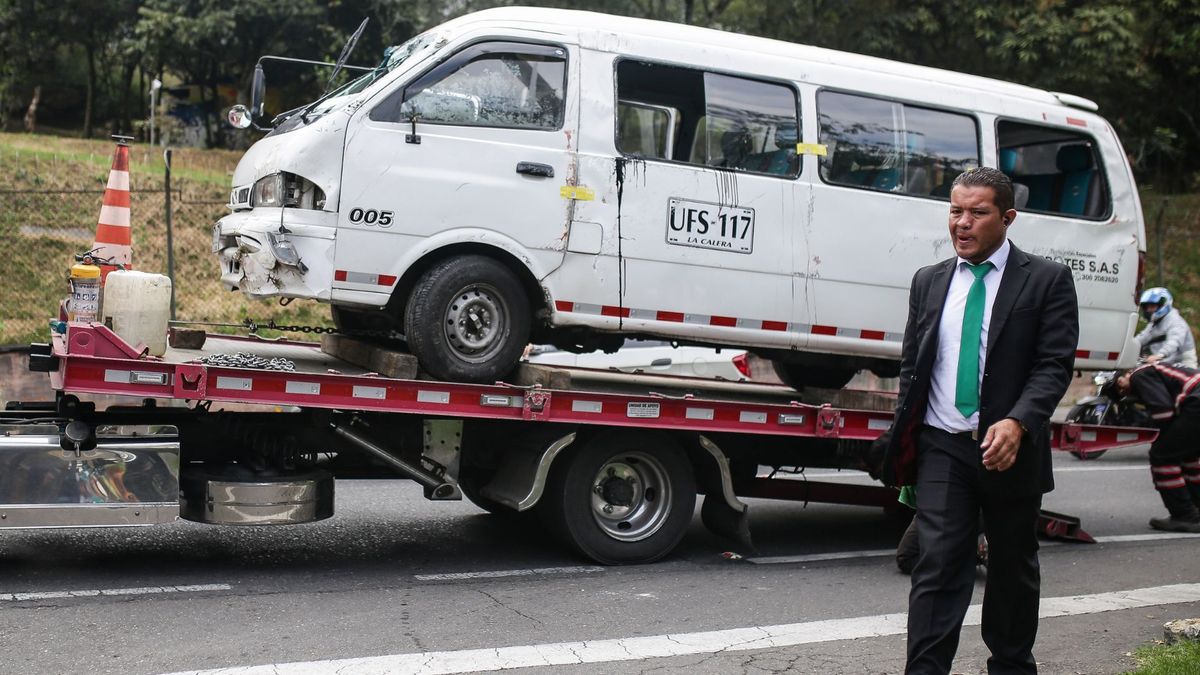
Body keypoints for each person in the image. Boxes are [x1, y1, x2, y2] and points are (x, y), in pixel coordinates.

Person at [881, 166, 1079, 675]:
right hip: (943, 445)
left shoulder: (1046, 279)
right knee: (937, 567)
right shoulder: (929, 282)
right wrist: (911, 435)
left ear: (1008, 217)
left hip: (1009, 448)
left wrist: (1019, 421)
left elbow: (1053, 365)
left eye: (977, 212)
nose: (961, 223)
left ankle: (1012, 666)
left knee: (1012, 569)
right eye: (955, 210)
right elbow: (913, 363)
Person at [1111, 364, 1200, 532]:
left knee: (1162, 456)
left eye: (1119, 384)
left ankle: (1185, 515)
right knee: (1188, 457)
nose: (1122, 391)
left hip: (1196, 402)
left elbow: (1163, 410)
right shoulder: (1160, 370)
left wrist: (1160, 437)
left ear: (1127, 373)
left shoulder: (1139, 373)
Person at [1134, 287, 1197, 368]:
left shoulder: (1176, 322)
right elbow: (1142, 337)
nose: (1148, 310)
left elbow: (1174, 342)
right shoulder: (1155, 322)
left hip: (1183, 365)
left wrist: (1160, 355)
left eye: (1152, 306)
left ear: (1163, 305)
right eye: (1146, 307)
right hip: (1165, 363)